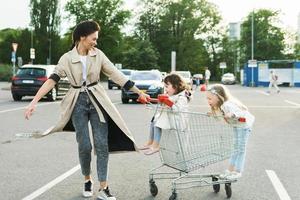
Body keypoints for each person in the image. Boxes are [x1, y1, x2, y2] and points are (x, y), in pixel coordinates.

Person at [24, 20, 149, 200]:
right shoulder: (66, 58)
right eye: (93, 38)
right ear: (82, 37)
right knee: (84, 145)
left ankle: (104, 188)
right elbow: (52, 80)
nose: (95, 42)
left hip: (97, 101)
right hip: (77, 103)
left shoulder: (98, 55)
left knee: (101, 144)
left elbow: (116, 74)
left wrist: (138, 92)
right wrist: (33, 102)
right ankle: (87, 179)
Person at [206, 84, 255, 180]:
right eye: (207, 99)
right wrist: (213, 114)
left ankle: (237, 171)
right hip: (237, 125)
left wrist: (232, 114)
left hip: (244, 125)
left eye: (210, 99)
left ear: (218, 97)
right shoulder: (221, 106)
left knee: (240, 149)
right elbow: (223, 118)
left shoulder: (228, 104)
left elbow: (242, 112)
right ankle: (230, 170)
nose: (208, 101)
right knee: (236, 148)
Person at [139, 73, 192, 155]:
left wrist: (167, 102)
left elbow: (177, 110)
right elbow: (162, 102)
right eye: (165, 86)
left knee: (158, 121)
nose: (165, 89)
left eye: (167, 86)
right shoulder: (173, 95)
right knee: (153, 121)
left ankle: (156, 145)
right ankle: (150, 143)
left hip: (178, 121)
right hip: (170, 118)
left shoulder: (182, 97)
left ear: (176, 86)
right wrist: (149, 100)